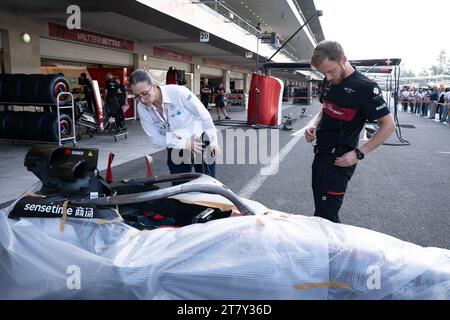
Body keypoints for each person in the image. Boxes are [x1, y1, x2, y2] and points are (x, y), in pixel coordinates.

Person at [305, 40, 395, 223]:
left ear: (343, 59)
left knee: (326, 217)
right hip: (320, 154)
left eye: (331, 71)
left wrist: (358, 154)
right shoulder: (329, 80)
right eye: (324, 73)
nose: (328, 77)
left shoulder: (366, 87)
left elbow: (388, 125)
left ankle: (334, 251)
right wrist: (314, 124)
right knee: (320, 213)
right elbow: (326, 107)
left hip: (339, 161)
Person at [129, 69, 220, 178]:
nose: (142, 100)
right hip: (175, 145)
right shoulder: (142, 108)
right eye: (137, 96)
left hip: (199, 140)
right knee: (179, 186)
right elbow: (155, 138)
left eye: (145, 94)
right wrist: (183, 144)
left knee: (207, 184)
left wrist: (214, 141)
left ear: (154, 85)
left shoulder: (179, 93)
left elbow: (204, 116)